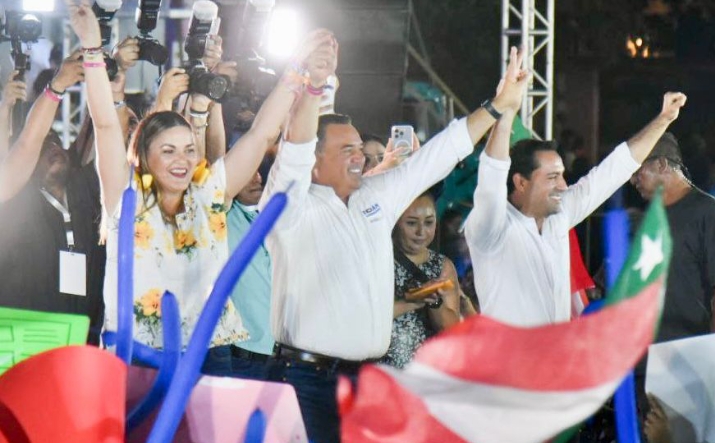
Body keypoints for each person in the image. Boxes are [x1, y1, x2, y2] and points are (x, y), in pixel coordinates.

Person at [259, 45, 528, 443]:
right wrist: (313, 88)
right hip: (306, 382)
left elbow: (438, 155)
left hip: (367, 379)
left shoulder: (375, 197)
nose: (359, 157)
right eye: (346, 150)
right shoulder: (290, 208)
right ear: (314, 164)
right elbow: (294, 153)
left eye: (359, 148)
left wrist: (497, 106)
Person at [64, 2, 333, 355]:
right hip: (138, 355)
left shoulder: (209, 192)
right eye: (168, 151)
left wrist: (298, 72)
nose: (183, 160)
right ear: (144, 156)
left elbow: (261, 134)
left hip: (209, 354)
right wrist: (91, 47)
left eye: (189, 150)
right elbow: (104, 125)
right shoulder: (126, 196)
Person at [464, 77, 687, 327]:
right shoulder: (491, 228)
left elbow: (614, 169)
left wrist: (664, 119)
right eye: (552, 177)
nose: (563, 185)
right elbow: (492, 175)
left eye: (561, 175)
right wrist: (505, 113)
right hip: (508, 353)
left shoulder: (559, 215)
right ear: (521, 182)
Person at [0, 55, 107, 344]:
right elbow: (24, 146)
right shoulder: (16, 204)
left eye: (57, 142)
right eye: (43, 146)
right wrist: (54, 87)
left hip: (84, 339)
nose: (53, 148)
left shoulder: (85, 190)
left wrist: (109, 79)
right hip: (24, 340)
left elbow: (103, 129)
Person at [381, 192, 461, 369]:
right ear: (396, 220)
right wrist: (411, 302)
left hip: (427, 374)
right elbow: (364, 319)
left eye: (429, 223)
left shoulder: (443, 266)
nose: (421, 232)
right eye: (411, 223)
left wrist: (434, 302)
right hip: (382, 373)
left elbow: (452, 331)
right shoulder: (378, 259)